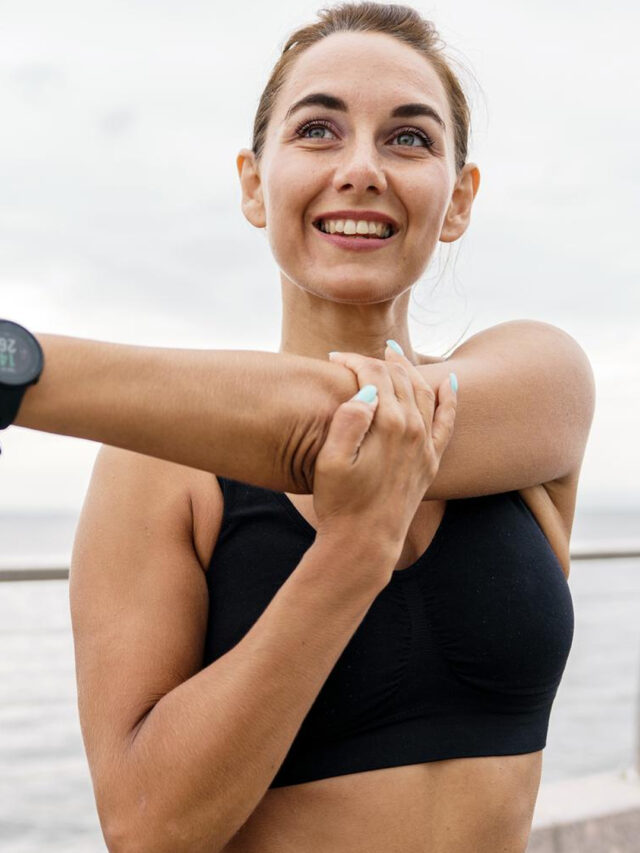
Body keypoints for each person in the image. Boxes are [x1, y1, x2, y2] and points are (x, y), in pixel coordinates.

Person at [2, 3, 596, 851]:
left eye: (409, 138)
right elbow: (146, 828)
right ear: (254, 183)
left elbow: (346, 423)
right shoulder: (152, 464)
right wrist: (349, 555)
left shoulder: (539, 380)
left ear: (459, 199)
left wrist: (22, 373)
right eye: (318, 130)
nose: (361, 168)